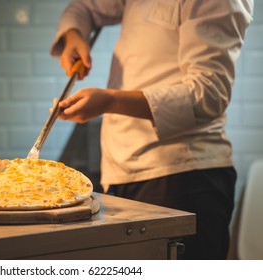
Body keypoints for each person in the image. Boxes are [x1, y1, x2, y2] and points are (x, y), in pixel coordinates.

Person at [50, 0, 253, 259]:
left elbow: (208, 95)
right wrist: (74, 35)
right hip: (122, 175)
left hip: (185, 178)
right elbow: (84, 8)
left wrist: (110, 101)